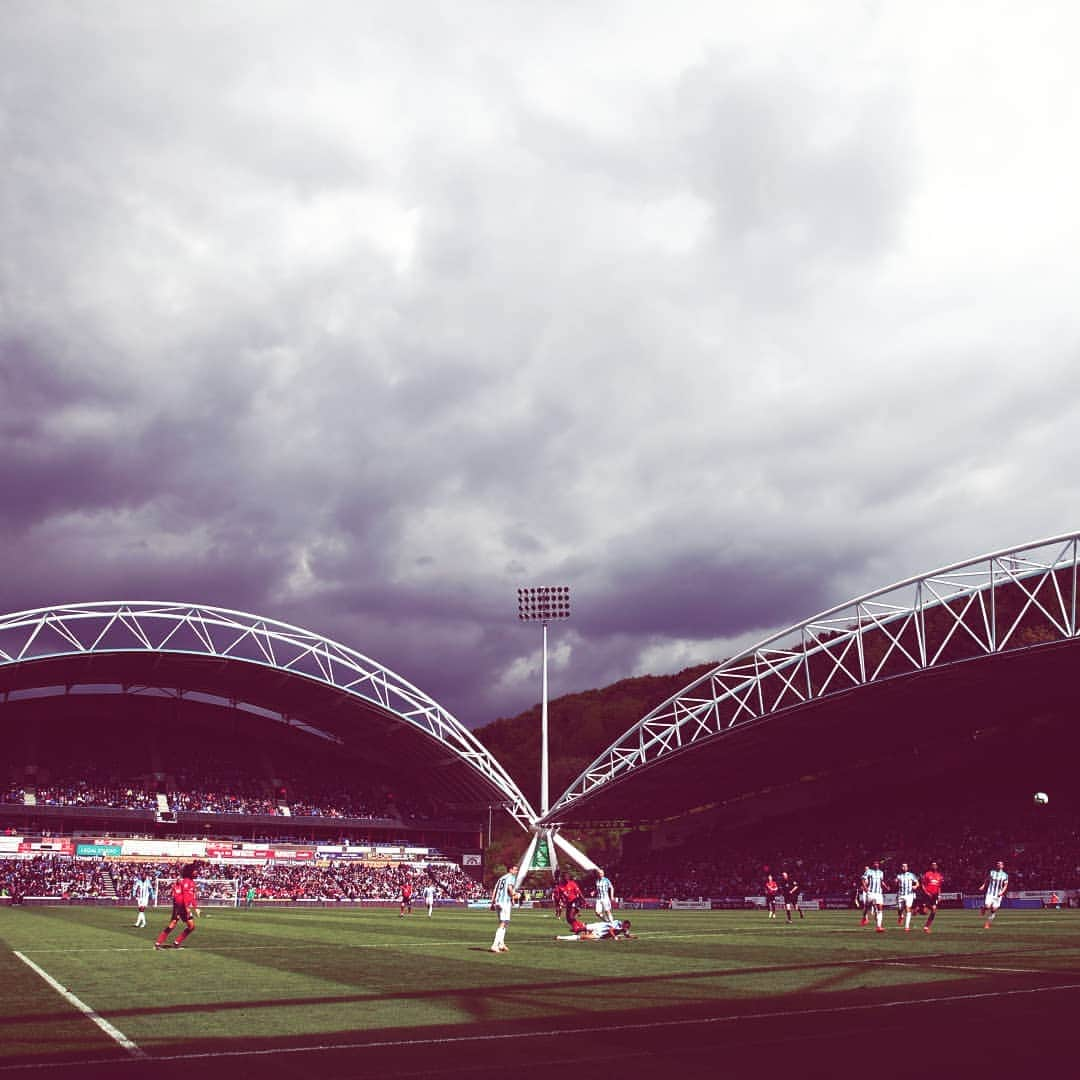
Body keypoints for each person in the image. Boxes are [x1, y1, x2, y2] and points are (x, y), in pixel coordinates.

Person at [154, 863, 198, 950]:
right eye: (195, 871)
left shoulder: (192, 883)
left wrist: (196, 908)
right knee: (172, 924)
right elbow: (185, 896)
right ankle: (158, 944)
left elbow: (192, 897)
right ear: (190, 872)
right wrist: (187, 908)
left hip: (184, 907)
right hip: (180, 906)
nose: (196, 872)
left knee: (191, 926)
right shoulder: (185, 882)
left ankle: (176, 943)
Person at [490, 863, 520, 954]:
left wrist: (492, 903)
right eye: (515, 869)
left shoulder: (501, 878)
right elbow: (510, 888)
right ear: (510, 870)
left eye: (517, 870)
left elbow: (495, 889)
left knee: (504, 922)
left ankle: (501, 943)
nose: (516, 871)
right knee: (503, 923)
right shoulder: (511, 877)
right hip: (504, 903)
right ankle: (495, 945)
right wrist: (515, 895)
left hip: (498, 902)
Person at [980, 860, 1009, 929]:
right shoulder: (992, 872)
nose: (998, 865)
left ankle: (987, 924)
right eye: (997, 864)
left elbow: (1005, 885)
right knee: (988, 906)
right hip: (990, 893)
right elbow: (987, 879)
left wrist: (1002, 892)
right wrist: (983, 885)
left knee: (993, 910)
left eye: (1000, 864)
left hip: (998, 894)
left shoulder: (1005, 875)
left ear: (1002, 866)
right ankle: (984, 908)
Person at [556, 918, 634, 942]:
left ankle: (560, 937)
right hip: (599, 926)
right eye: (626, 927)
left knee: (583, 937)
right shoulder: (617, 923)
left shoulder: (623, 928)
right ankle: (576, 929)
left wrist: (632, 937)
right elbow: (611, 930)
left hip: (599, 932)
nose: (626, 929)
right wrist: (615, 937)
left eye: (627, 928)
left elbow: (626, 934)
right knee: (583, 928)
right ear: (624, 924)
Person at [920, 861, 944, 933]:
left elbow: (939, 887)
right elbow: (923, 884)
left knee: (934, 910)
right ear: (931, 866)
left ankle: (926, 927)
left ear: (937, 867)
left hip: (935, 895)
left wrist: (939, 895)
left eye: (935, 865)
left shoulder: (939, 876)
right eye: (933, 865)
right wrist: (926, 892)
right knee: (924, 912)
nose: (934, 866)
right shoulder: (927, 874)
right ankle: (917, 909)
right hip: (927, 895)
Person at [894, 862, 919, 932]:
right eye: (903, 866)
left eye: (905, 866)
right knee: (900, 908)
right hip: (901, 894)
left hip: (909, 895)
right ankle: (901, 916)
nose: (904, 868)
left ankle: (907, 926)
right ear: (901, 868)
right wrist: (895, 881)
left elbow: (917, 883)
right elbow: (895, 883)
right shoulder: (899, 876)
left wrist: (915, 886)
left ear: (907, 868)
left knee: (908, 909)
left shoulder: (911, 875)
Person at [862, 860, 886, 932]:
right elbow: (863, 879)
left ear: (879, 864)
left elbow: (881, 882)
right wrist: (865, 887)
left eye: (877, 863)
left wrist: (885, 887)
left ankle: (879, 926)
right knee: (867, 907)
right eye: (874, 863)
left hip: (878, 893)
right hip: (870, 892)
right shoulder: (868, 871)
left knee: (880, 908)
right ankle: (864, 917)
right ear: (873, 864)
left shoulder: (881, 873)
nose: (876, 864)